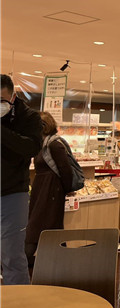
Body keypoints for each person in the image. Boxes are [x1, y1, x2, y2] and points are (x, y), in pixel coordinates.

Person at [1, 74, 43, 284]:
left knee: (12, 254)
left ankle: (19, 299)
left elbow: (32, 147)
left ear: (13, 96)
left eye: (1, 100)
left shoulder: (28, 117)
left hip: (12, 193)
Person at [25, 111, 72, 266]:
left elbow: (65, 170)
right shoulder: (43, 144)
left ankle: (23, 258)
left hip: (51, 191)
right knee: (50, 225)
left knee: (38, 225)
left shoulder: (53, 145)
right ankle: (61, 259)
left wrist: (66, 189)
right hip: (44, 190)